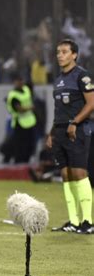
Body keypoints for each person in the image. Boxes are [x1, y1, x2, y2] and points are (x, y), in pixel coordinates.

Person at [48, 39, 94, 234]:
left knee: (79, 174)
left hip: (78, 131)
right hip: (59, 132)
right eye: (58, 52)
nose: (60, 55)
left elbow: (91, 104)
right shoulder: (58, 79)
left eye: (65, 52)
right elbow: (59, 109)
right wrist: (51, 133)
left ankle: (88, 222)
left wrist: (74, 122)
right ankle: (74, 222)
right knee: (66, 175)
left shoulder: (82, 76)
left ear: (74, 55)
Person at [4, 73, 37, 163]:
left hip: (30, 122)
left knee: (30, 145)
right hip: (20, 123)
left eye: (21, 80)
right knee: (20, 146)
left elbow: (30, 92)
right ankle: (18, 162)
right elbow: (19, 109)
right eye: (18, 81)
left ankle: (26, 160)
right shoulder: (13, 95)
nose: (20, 82)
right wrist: (30, 107)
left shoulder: (26, 89)